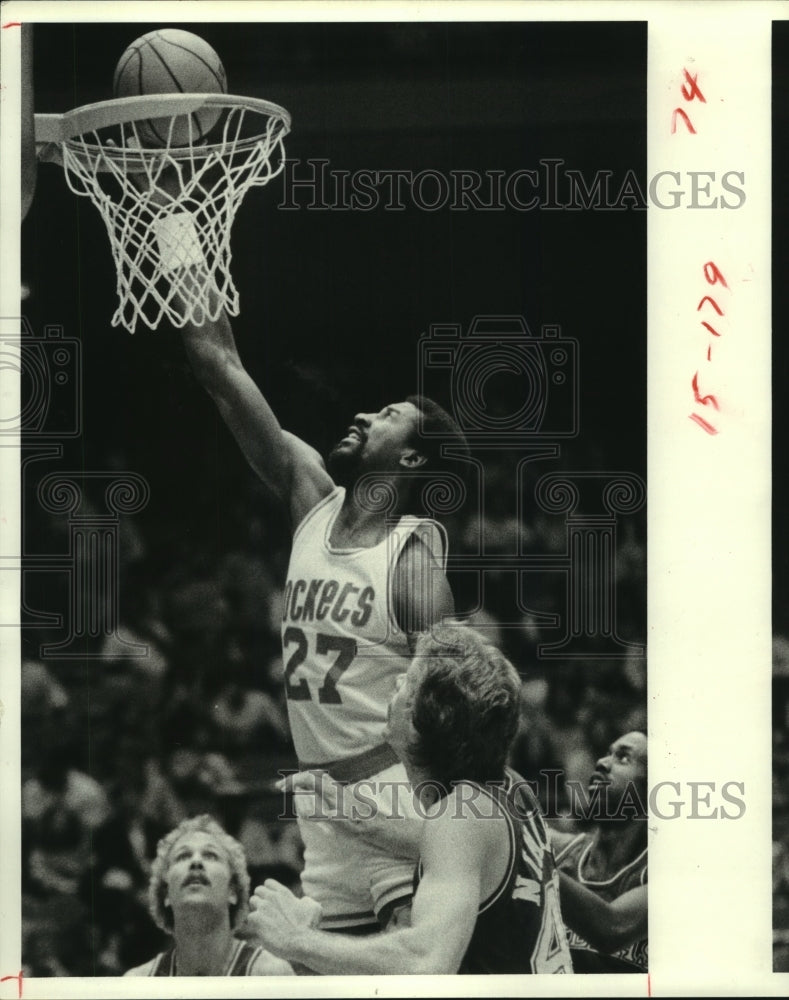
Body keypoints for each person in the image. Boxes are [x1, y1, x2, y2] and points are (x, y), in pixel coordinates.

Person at [179, 304, 468, 932]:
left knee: (400, 970)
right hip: (324, 804)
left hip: (391, 792)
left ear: (413, 462)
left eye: (388, 416)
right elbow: (219, 368)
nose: (364, 414)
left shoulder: (412, 564)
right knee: (312, 970)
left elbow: (461, 713)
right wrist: (178, 229)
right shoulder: (308, 496)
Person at [246, 624, 574, 975]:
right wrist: (363, 820)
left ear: (422, 721)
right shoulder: (510, 789)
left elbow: (426, 961)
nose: (396, 682)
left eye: (409, 681)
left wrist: (297, 940)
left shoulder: (458, 819)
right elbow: (458, 851)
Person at [124, 814, 292, 976]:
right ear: (166, 893)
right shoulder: (139, 980)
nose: (196, 862)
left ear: (233, 891)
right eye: (183, 856)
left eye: (210, 855)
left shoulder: (269, 972)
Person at [552, 730, 648, 973]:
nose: (602, 763)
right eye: (608, 754)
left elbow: (612, 928)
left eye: (623, 758)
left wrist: (533, 858)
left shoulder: (663, 875)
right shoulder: (560, 851)